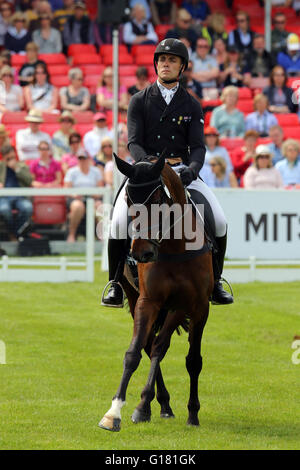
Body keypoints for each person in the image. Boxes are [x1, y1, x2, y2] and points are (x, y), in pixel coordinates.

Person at [101, 38, 233, 308]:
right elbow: (133, 142)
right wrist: (146, 167)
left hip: (181, 170)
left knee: (219, 220)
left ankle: (216, 281)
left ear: (182, 67)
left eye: (172, 60)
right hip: (146, 172)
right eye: (162, 59)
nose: (166, 64)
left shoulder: (192, 104)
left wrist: (193, 170)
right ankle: (115, 284)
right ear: (156, 64)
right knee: (116, 223)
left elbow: (197, 147)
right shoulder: (139, 100)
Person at [64, 150, 103, 242]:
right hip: (76, 199)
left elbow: (101, 189)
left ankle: (101, 235)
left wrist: (94, 195)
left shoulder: (96, 171)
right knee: (78, 206)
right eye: (80, 158)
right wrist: (75, 195)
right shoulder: (71, 172)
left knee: (100, 207)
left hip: (93, 199)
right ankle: (71, 234)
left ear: (88, 159)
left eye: (84, 158)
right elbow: (66, 189)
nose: (82, 161)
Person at [0, 144, 33, 240]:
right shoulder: (1, 166)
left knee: (28, 208)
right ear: (4, 157)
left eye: (12, 157)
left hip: (19, 196)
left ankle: (14, 232)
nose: (11, 160)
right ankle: (13, 233)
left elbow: (29, 181)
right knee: (4, 210)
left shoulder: (22, 166)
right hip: (4, 197)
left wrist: (16, 169)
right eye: (8, 158)